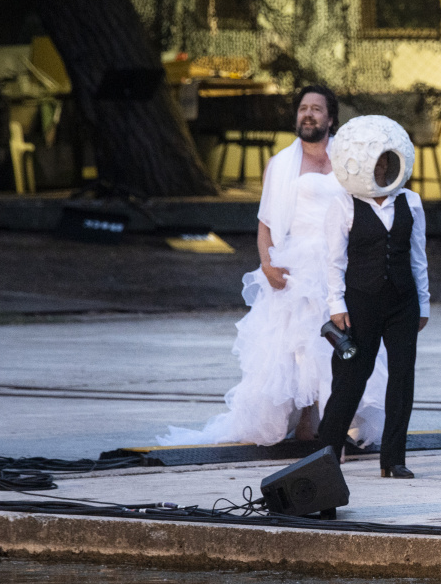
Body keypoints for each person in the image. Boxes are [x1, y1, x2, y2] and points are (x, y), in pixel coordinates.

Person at [159, 85, 388, 448]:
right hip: (296, 265)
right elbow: (265, 222)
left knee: (343, 345)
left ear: (331, 118)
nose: (308, 114)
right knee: (301, 348)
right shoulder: (280, 164)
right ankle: (308, 423)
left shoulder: (348, 160)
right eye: (303, 108)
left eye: (316, 109)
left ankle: (334, 422)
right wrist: (267, 263)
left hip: (342, 261)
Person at [319, 116, 430, 479]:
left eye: (386, 160)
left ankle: (393, 459)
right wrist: (336, 305)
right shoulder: (344, 203)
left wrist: (423, 304)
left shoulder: (410, 200)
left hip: (402, 301)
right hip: (360, 302)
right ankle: (324, 454)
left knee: (402, 378)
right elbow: (333, 261)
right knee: (351, 376)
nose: (381, 167)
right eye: (375, 160)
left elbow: (418, 257)